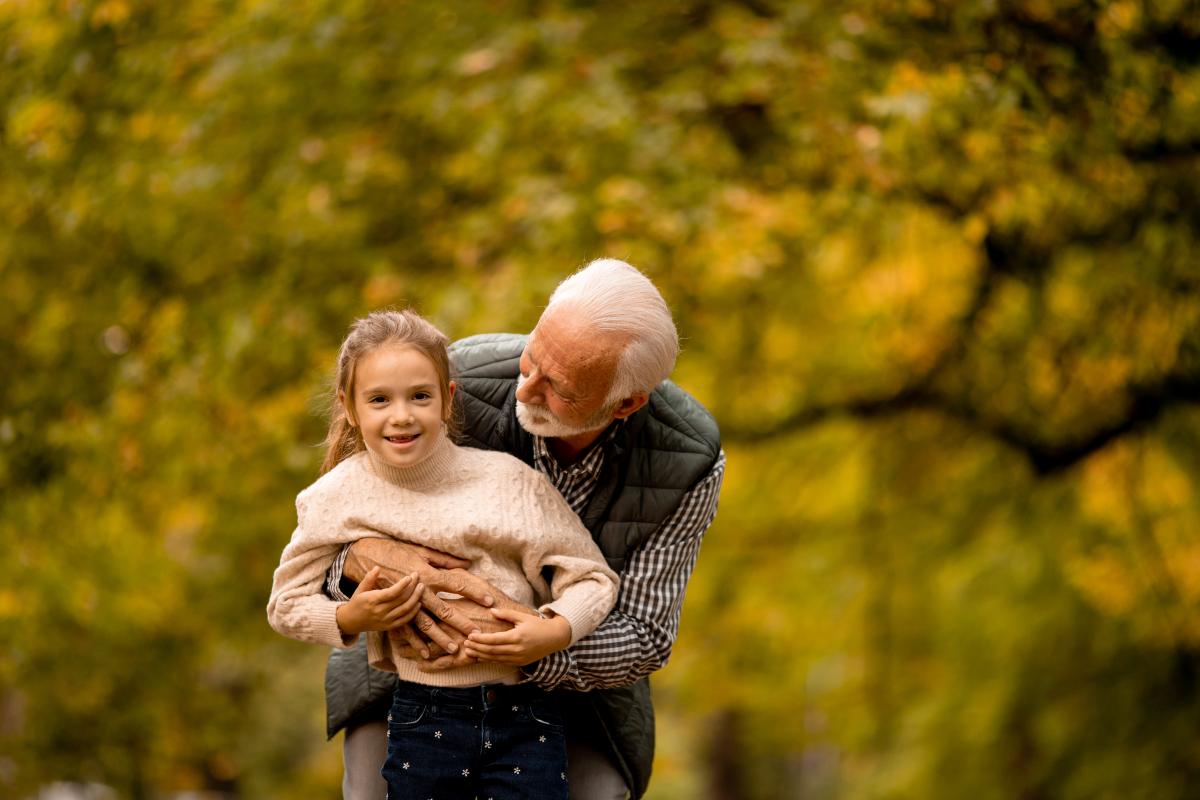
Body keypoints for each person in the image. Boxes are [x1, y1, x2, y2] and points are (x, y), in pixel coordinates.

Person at [325, 258, 726, 800]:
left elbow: (645, 633)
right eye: (532, 358)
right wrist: (355, 558)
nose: (526, 389)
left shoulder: (689, 459)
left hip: (577, 691)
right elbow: (326, 534)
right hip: (408, 667)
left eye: (559, 387)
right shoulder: (447, 381)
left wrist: (542, 644)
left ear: (626, 403)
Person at [267, 309, 619, 799]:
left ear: (448, 399)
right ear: (349, 407)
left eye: (420, 396)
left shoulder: (510, 481)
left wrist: (555, 630)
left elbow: (593, 578)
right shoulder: (334, 497)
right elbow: (286, 604)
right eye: (379, 399)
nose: (402, 415)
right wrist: (351, 616)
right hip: (422, 714)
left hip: (525, 710)